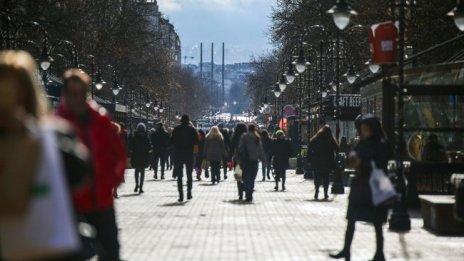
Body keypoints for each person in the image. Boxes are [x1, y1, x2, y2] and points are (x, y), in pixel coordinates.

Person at [0, 50, 88, 261]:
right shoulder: (52, 134)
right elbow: (82, 171)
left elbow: (79, 169)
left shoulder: (50, 136)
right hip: (49, 246)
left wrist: (26, 132)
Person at [56, 69, 127, 261]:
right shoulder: (56, 123)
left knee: (111, 251)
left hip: (101, 200)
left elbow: (118, 152)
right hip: (72, 205)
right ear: (65, 93)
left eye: (82, 93)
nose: (78, 98)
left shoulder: (101, 119)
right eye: (73, 93)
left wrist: (114, 180)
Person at [330, 116, 390, 261]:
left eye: (365, 129)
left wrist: (362, 162)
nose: (362, 132)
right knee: (351, 220)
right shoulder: (362, 143)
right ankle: (346, 250)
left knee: (377, 222)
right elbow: (350, 158)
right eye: (361, 129)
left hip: (374, 187)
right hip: (360, 187)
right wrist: (351, 159)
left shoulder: (381, 144)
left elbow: (381, 165)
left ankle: (379, 254)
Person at [170, 115, 199, 202]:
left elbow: (172, 141)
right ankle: (189, 193)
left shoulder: (176, 129)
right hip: (189, 155)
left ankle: (181, 195)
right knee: (189, 175)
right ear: (188, 121)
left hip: (179, 154)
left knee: (179, 176)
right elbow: (196, 142)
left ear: (181, 121)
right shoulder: (192, 130)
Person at [308, 125, 338, 200]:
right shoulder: (330, 139)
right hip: (327, 162)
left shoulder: (316, 138)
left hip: (317, 161)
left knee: (317, 177)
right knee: (326, 177)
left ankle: (316, 190)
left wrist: (309, 159)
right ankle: (325, 193)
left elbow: (309, 148)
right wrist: (335, 158)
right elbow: (337, 148)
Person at [238, 124, 266, 202]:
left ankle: (247, 190)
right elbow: (260, 149)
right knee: (252, 177)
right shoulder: (257, 137)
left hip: (245, 160)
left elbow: (240, 147)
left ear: (248, 129)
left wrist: (239, 157)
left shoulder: (244, 136)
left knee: (246, 176)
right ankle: (249, 192)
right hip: (254, 160)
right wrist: (263, 159)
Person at [130, 123, 151, 193]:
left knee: (136, 171)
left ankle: (136, 185)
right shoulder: (146, 137)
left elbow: (131, 148)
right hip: (144, 157)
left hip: (136, 156)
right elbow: (149, 148)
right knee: (142, 172)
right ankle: (141, 188)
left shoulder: (134, 137)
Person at [230, 123, 248, 200]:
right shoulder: (247, 136)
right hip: (247, 159)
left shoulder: (234, 137)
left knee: (238, 176)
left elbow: (231, 148)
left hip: (237, 159)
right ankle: (246, 189)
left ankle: (240, 192)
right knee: (246, 175)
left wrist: (229, 158)